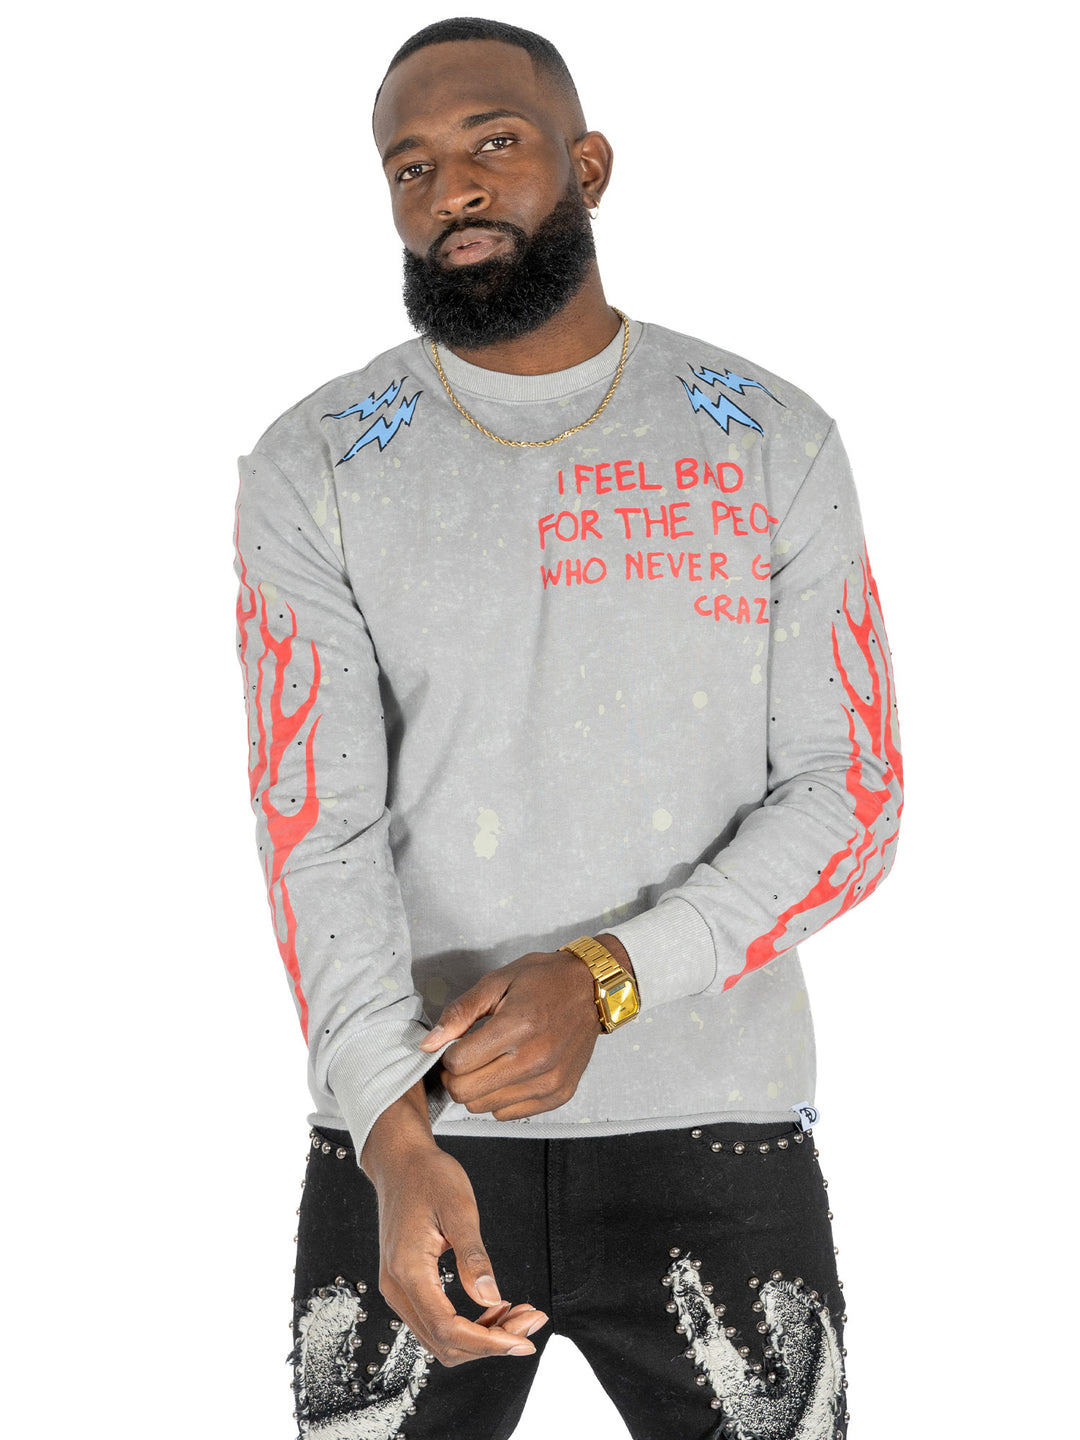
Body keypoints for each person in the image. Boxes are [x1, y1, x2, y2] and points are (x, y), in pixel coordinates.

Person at [232, 17, 903, 1440]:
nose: (453, 190)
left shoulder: (767, 438)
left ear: (587, 165)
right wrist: (388, 1129)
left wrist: (606, 980)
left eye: (494, 142)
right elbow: (316, 827)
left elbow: (852, 796)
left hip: (718, 1138)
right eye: (411, 167)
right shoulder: (316, 463)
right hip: (413, 1142)